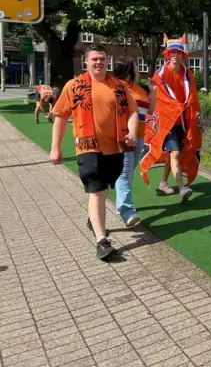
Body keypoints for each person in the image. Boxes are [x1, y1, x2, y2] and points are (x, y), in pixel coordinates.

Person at [49, 45, 138, 260]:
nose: (99, 62)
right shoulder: (74, 85)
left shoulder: (118, 86)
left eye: (102, 59)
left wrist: (133, 133)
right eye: (94, 59)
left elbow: (133, 111)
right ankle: (102, 241)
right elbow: (60, 117)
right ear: (86, 62)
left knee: (105, 186)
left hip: (115, 146)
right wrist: (55, 148)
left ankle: (93, 218)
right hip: (87, 146)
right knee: (97, 189)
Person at [141, 34, 202, 202]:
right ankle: (182, 189)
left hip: (183, 121)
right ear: (168, 55)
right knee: (174, 153)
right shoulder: (160, 75)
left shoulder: (188, 74)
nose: (175, 55)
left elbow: (193, 98)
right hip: (166, 122)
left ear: (183, 56)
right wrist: (174, 106)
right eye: (172, 52)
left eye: (178, 53)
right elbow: (158, 100)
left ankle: (162, 183)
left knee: (175, 155)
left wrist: (193, 114)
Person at [112, 57, 149, 228]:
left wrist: (154, 91)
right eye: (135, 66)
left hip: (139, 135)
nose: (138, 68)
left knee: (127, 171)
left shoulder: (139, 89)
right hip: (124, 135)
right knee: (125, 173)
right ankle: (127, 211)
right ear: (128, 70)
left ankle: (102, 195)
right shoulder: (117, 87)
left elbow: (151, 109)